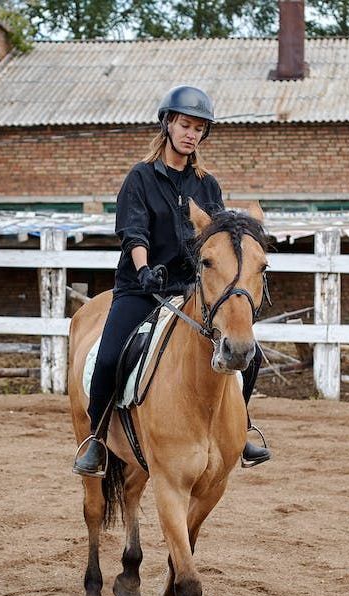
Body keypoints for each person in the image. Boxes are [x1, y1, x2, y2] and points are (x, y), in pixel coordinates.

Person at [73, 85, 272, 478]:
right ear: (167, 124)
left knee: (249, 355)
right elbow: (134, 233)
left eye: (199, 128)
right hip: (142, 287)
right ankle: (96, 439)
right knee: (110, 357)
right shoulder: (140, 178)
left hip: (190, 290)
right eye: (185, 125)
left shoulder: (207, 185)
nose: (191, 134)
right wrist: (144, 268)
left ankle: (241, 427)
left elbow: (216, 241)